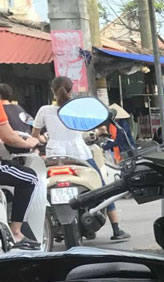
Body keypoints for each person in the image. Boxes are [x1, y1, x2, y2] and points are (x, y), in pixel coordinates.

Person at [32, 78, 131, 243]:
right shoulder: (77, 109)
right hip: (79, 154)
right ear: (71, 91)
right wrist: (101, 131)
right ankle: (116, 229)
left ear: (52, 91)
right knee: (103, 187)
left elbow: (35, 136)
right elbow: (98, 126)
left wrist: (43, 139)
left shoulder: (44, 110)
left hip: (53, 156)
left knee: (40, 189)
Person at [0, 99, 42, 249]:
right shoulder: (19, 111)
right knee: (30, 178)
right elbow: (9, 137)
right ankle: (16, 233)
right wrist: (28, 144)